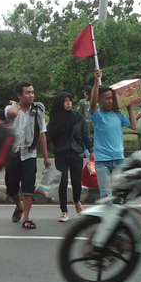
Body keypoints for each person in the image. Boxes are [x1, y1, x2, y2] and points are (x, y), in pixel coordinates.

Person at [4, 80, 51, 229]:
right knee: (11, 188)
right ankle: (19, 206)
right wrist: (14, 104)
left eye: (32, 92)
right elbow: (12, 114)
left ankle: (26, 218)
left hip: (29, 154)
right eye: (27, 92)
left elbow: (42, 134)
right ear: (19, 95)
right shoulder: (10, 109)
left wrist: (45, 157)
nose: (31, 95)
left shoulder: (37, 111)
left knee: (28, 187)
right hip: (12, 154)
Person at [89, 69, 137, 199]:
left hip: (119, 160)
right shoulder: (97, 115)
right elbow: (92, 103)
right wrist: (96, 81)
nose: (110, 101)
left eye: (112, 98)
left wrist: (129, 105)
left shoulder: (118, 114)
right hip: (102, 162)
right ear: (99, 100)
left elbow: (133, 125)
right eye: (107, 98)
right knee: (106, 195)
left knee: (119, 194)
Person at [47, 92, 94, 222]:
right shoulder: (55, 119)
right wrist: (44, 152)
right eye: (65, 101)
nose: (68, 103)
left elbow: (85, 134)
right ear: (59, 103)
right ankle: (64, 211)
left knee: (76, 181)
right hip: (61, 153)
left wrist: (91, 150)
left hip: (76, 152)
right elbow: (48, 136)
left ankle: (77, 200)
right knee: (62, 183)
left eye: (70, 101)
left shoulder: (78, 117)